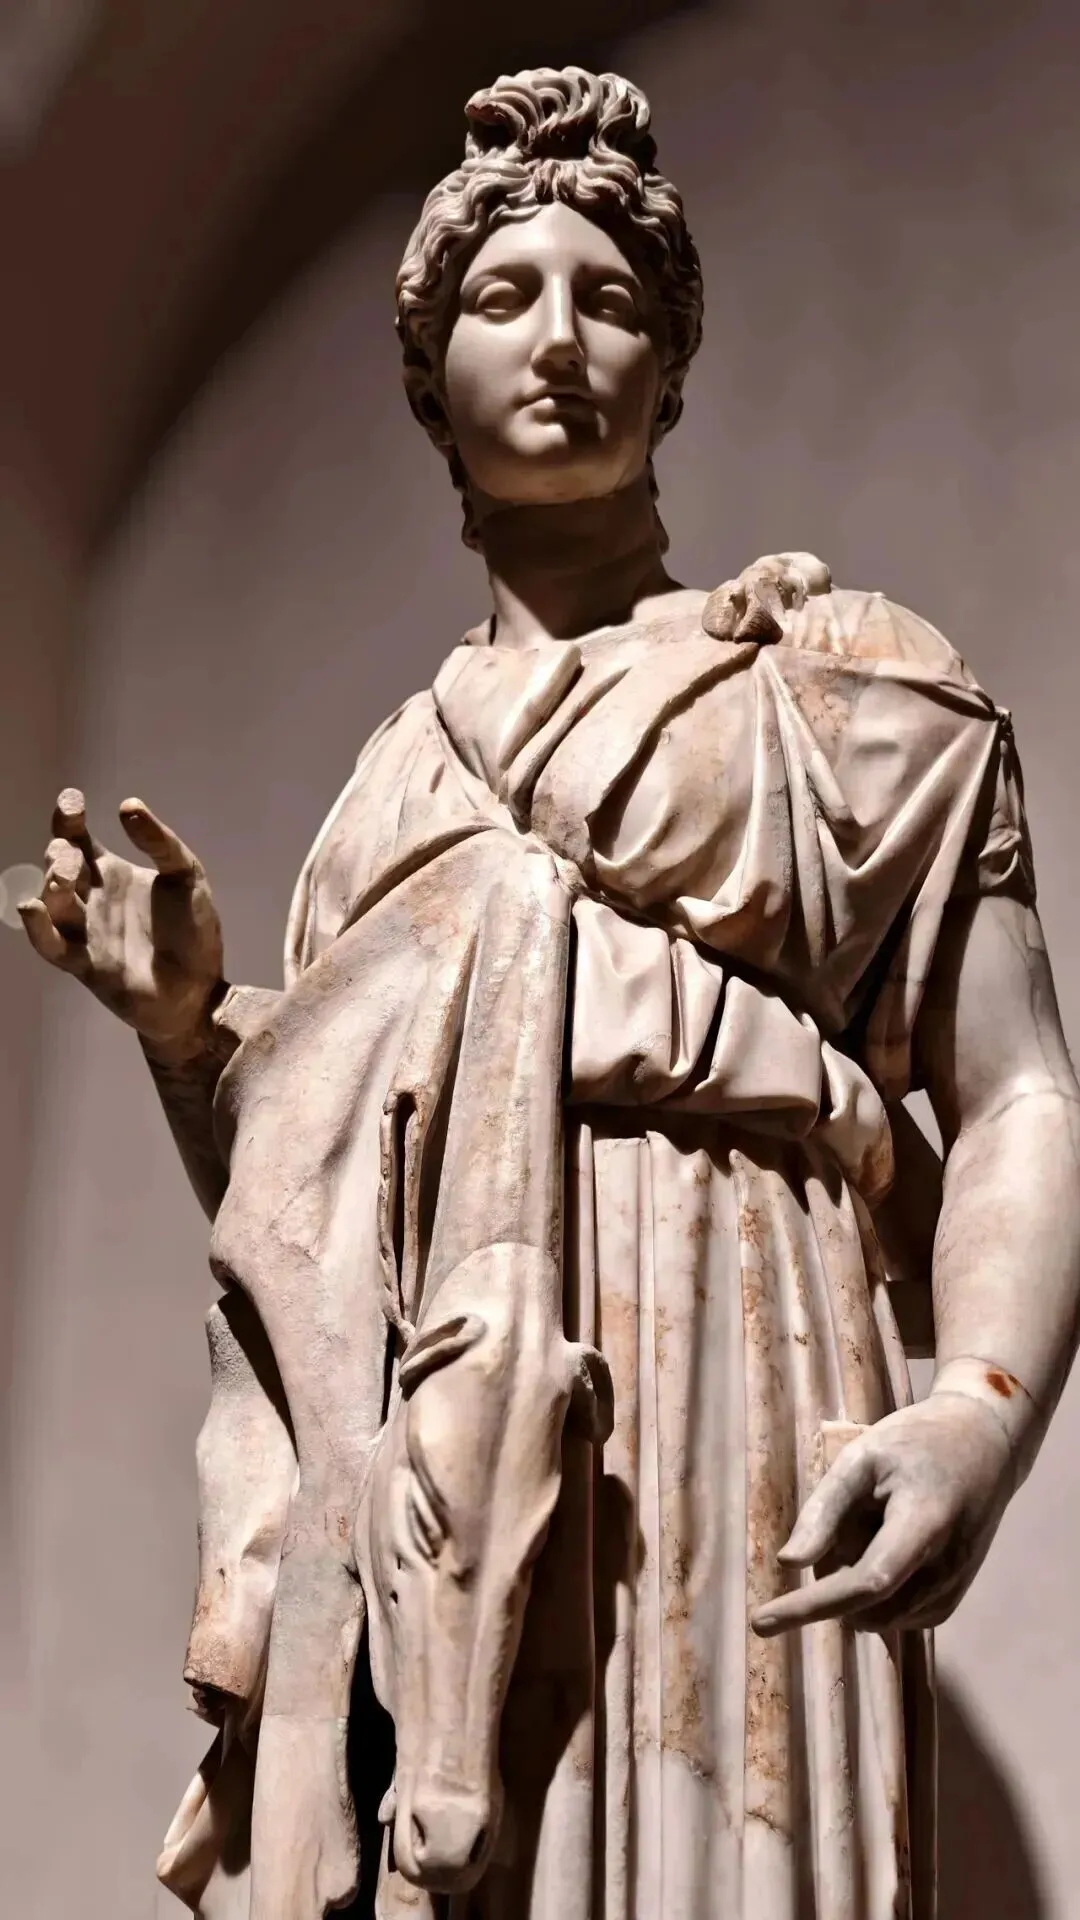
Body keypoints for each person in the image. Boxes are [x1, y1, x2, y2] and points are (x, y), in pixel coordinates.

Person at [20, 65, 1080, 1920]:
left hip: (751, 1354)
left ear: (672, 367)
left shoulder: (842, 687)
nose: (563, 340)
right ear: (432, 378)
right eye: (506, 297)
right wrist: (193, 1033)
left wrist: (981, 1413)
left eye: (613, 299)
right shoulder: (388, 794)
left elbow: (1019, 1096)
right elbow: (330, 1236)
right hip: (452, 1478)